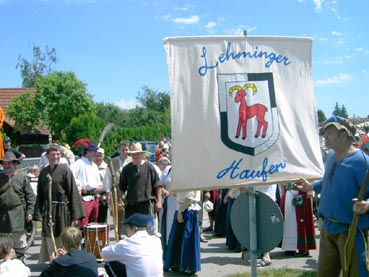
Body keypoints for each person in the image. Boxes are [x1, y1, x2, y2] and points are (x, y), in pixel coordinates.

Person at [296, 116, 369, 276]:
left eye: (329, 132)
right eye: (325, 133)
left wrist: (367, 205)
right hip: (328, 228)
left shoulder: (362, 161)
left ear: (344, 135)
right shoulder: (331, 157)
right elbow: (328, 181)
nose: (325, 136)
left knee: (356, 273)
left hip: (350, 231)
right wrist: (311, 186)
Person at [33, 143, 85, 264]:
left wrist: (75, 215)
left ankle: (65, 261)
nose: (56, 156)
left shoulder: (65, 170)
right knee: (50, 236)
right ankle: (53, 262)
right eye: (53, 154)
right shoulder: (43, 172)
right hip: (49, 210)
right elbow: (40, 195)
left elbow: (73, 192)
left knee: (63, 235)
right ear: (47, 156)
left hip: (62, 210)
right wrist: (38, 213)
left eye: (58, 154)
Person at [0, 152, 35, 260]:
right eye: (4, 163)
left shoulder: (22, 178)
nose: (6, 165)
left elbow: (30, 196)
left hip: (18, 213)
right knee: (3, 241)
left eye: (9, 163)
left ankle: (20, 263)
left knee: (19, 240)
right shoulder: (0, 178)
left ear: (15, 164)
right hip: (3, 215)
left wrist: (30, 212)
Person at [119, 142, 162, 220]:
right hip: (132, 206)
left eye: (137, 154)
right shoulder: (127, 169)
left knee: (148, 231)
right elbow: (122, 187)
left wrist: (159, 201)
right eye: (133, 154)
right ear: (131, 155)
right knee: (131, 230)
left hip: (147, 205)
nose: (135, 156)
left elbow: (157, 185)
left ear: (141, 154)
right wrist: (119, 201)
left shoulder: (149, 167)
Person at [164, 190, 201, 275]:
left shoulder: (191, 179)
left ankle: (189, 265)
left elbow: (189, 197)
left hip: (187, 210)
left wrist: (181, 211)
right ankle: (176, 263)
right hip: (181, 208)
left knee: (187, 238)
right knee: (177, 237)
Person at [70, 139, 102, 230]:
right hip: (84, 198)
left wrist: (99, 186)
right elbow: (71, 177)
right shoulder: (78, 164)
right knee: (83, 224)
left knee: (93, 224)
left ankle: (90, 243)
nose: (96, 153)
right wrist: (80, 185)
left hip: (94, 198)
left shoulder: (94, 165)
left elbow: (97, 180)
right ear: (87, 151)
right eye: (94, 151)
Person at [103, 140, 132, 238]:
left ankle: (129, 236)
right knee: (117, 215)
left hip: (129, 192)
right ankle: (118, 236)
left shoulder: (132, 161)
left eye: (126, 150)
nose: (125, 152)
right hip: (117, 193)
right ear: (119, 150)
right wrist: (108, 193)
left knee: (128, 214)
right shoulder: (113, 162)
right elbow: (108, 179)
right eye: (123, 150)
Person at [279, 183, 316, 257]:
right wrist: (283, 194)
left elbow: (311, 177)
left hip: (301, 193)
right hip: (288, 193)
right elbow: (281, 182)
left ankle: (303, 248)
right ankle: (289, 247)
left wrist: (310, 190)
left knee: (301, 221)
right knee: (288, 221)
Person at [94, 148, 108, 223]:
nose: (98, 157)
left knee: (102, 221)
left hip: (103, 198)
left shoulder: (107, 167)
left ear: (103, 156)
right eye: (97, 155)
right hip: (92, 197)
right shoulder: (91, 166)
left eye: (100, 155)